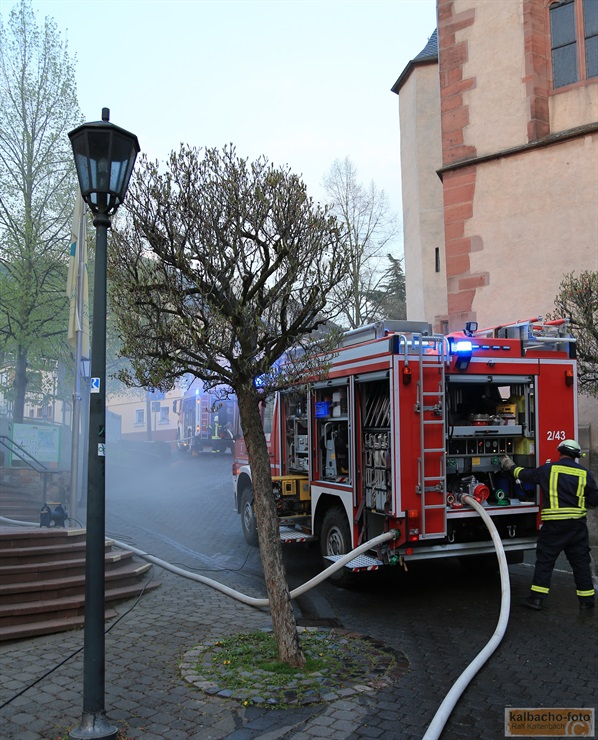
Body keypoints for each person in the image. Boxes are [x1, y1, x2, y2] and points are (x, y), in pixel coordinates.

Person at [501, 439, 598, 611]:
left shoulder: (548, 469)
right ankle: (587, 600)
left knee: (545, 561)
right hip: (577, 527)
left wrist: (510, 465)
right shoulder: (585, 473)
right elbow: (594, 500)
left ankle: (537, 599)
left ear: (560, 452)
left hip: (554, 527)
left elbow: (523, 474)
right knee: (581, 563)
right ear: (576, 456)